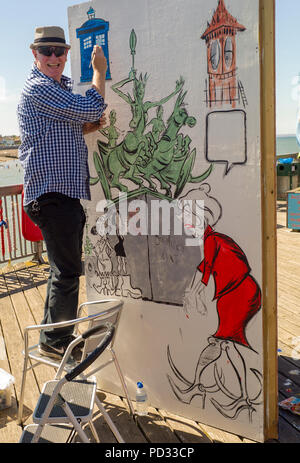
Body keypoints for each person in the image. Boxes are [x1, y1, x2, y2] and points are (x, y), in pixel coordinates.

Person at [17, 26, 107, 360]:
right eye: (47, 52)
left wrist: (86, 122)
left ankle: (52, 336)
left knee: (62, 270)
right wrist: (100, 72)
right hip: (52, 195)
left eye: (59, 51)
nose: (54, 57)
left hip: (56, 195)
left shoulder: (57, 90)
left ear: (67, 54)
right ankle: (55, 342)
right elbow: (92, 109)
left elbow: (79, 122)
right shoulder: (40, 88)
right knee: (68, 272)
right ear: (35, 55)